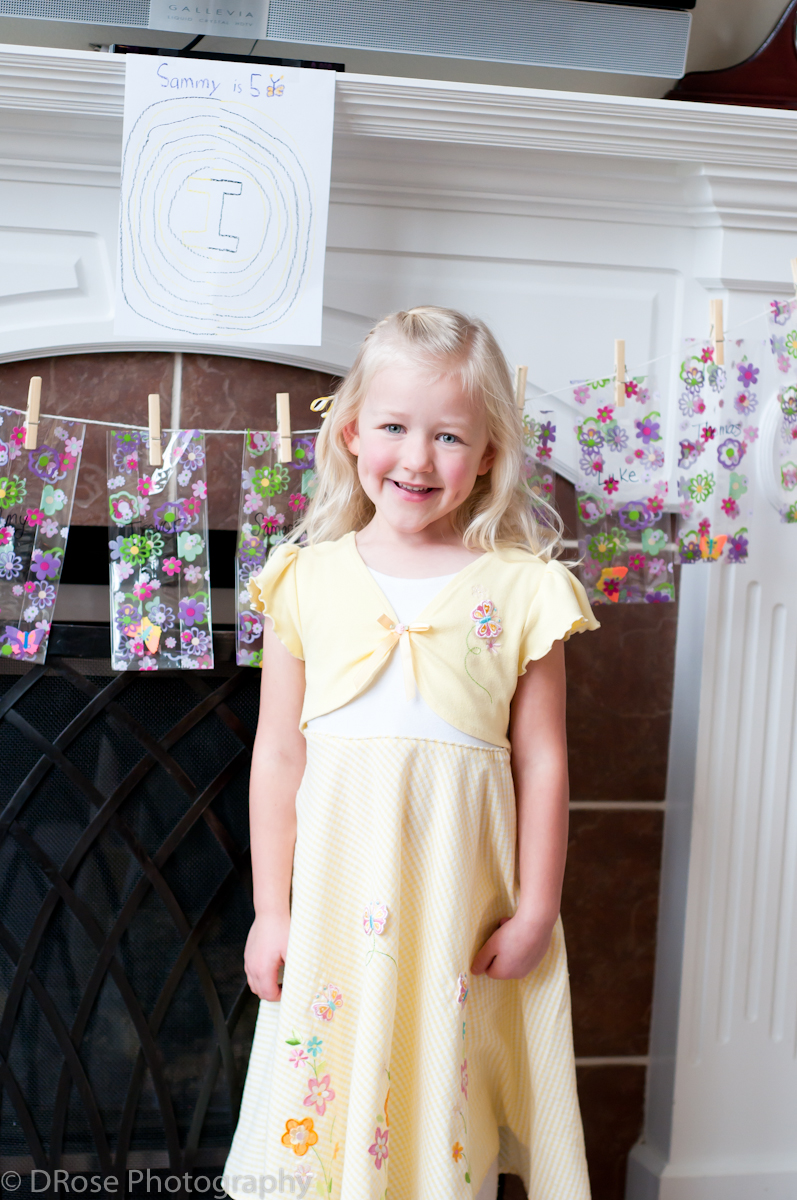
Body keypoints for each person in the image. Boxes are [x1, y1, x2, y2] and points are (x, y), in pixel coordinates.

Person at [223, 307, 599, 1200]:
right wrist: (270, 910)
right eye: (394, 427)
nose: (417, 458)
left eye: (448, 436)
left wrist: (537, 909)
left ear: (489, 454)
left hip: (456, 906)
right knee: (325, 1099)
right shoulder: (304, 577)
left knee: (441, 1095)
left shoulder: (525, 589)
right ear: (352, 432)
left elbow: (542, 762)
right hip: (335, 906)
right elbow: (278, 755)